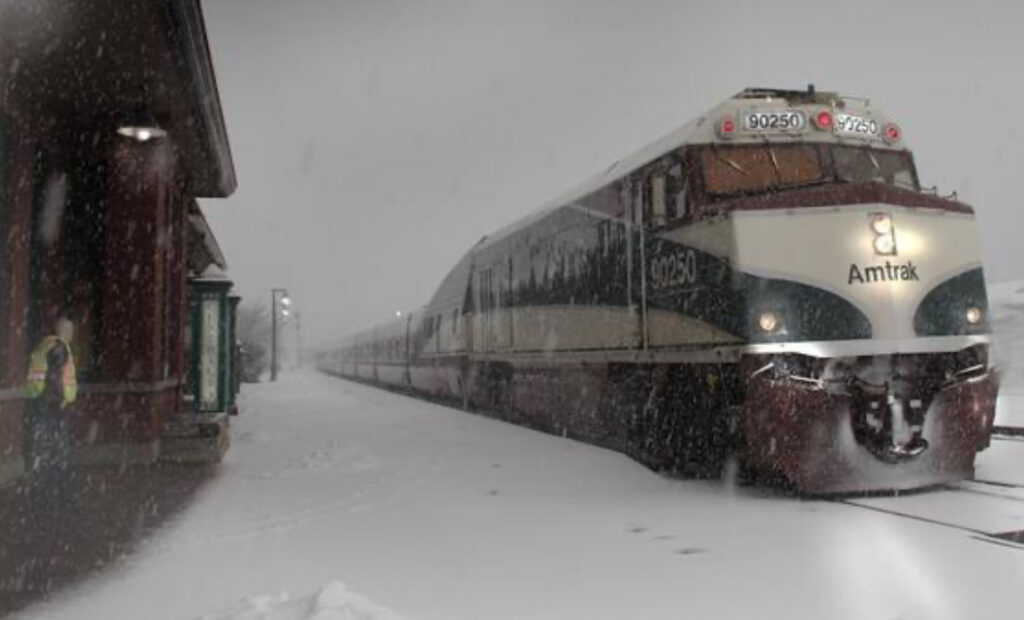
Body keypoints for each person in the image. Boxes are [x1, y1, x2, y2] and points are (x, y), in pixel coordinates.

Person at [24, 317, 78, 510]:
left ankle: (41, 498)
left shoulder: (45, 345)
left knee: (42, 453)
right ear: (64, 332)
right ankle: (63, 499)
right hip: (52, 409)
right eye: (70, 331)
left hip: (38, 404)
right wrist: (61, 401)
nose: (72, 335)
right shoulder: (59, 348)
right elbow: (54, 378)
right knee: (60, 454)